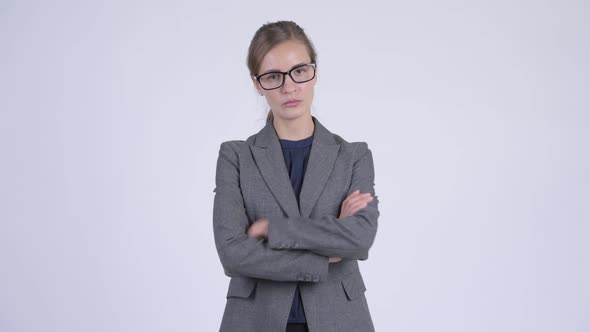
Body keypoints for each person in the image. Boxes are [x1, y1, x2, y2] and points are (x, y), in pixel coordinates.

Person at [213, 20, 379, 332]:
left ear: (314, 72)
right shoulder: (235, 156)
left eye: (299, 71)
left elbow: (358, 239)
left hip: (340, 317)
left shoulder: (354, 155)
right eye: (274, 76)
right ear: (257, 83)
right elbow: (233, 253)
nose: (289, 87)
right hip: (254, 319)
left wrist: (274, 230)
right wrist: (325, 253)